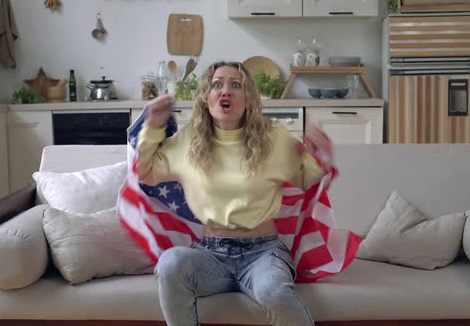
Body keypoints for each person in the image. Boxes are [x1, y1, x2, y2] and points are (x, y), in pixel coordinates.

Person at [136, 61, 334, 326]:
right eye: (217, 85)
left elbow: (308, 179)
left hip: (264, 252)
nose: (225, 91)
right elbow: (146, 173)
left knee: (272, 290)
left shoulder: (273, 137)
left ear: (248, 97)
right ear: (207, 97)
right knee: (170, 262)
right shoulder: (187, 140)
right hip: (210, 256)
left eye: (235, 85)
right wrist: (153, 128)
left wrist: (322, 157)